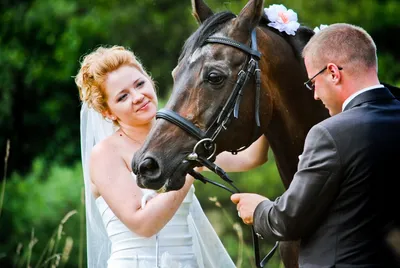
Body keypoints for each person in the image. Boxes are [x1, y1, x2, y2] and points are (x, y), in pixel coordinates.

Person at [75, 45, 268, 268]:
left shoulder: (180, 140)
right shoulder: (105, 154)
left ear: (150, 80)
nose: (138, 97)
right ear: (107, 112)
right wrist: (189, 164)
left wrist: (268, 103)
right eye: (123, 97)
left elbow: (251, 158)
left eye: (140, 84)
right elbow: (143, 224)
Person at [231, 23, 400, 267]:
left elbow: (288, 220)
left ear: (333, 72)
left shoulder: (329, 134)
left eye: (313, 82)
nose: (315, 95)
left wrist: (258, 209)